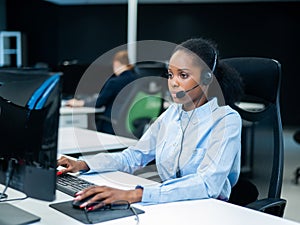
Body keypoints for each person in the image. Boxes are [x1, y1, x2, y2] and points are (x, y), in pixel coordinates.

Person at [57, 37, 243, 209]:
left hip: (208, 209)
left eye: (183, 75)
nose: (174, 83)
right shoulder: (171, 114)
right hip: (170, 203)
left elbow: (207, 184)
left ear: (206, 78)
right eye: (170, 75)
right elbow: (134, 156)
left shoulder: (226, 120)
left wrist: (135, 194)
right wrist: (84, 164)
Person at [65, 50, 136, 134]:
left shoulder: (114, 82)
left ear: (116, 63)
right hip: (130, 125)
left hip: (111, 124)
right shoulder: (138, 80)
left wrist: (80, 103)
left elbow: (99, 102)